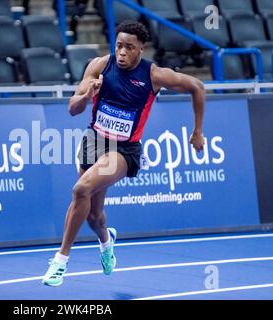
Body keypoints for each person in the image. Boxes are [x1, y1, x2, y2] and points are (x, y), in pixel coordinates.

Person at [42, 20, 205, 286]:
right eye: (119, 46)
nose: (122, 53)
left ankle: (60, 261)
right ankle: (107, 243)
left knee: (80, 189)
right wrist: (86, 96)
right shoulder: (98, 66)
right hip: (93, 142)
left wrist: (197, 131)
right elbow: (73, 108)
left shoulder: (154, 75)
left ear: (141, 48)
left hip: (123, 150)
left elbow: (197, 87)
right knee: (94, 216)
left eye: (129, 47)